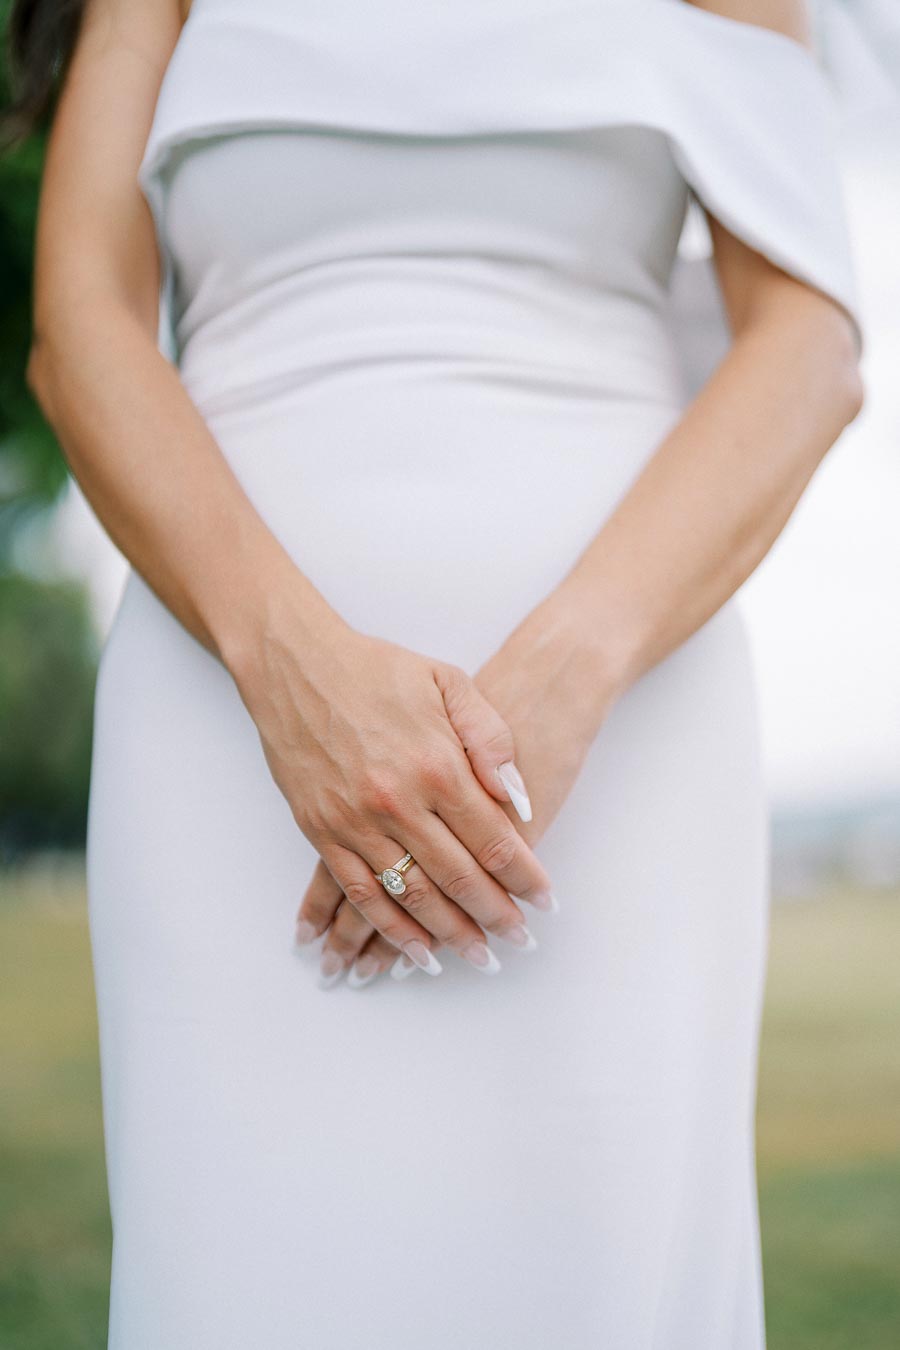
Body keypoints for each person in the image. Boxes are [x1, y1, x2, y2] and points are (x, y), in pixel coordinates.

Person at [10, 0, 864, 1345]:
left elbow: (810, 343)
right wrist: (289, 675)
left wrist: (551, 695)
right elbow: (80, 326)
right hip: (228, 738)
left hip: (623, 745)